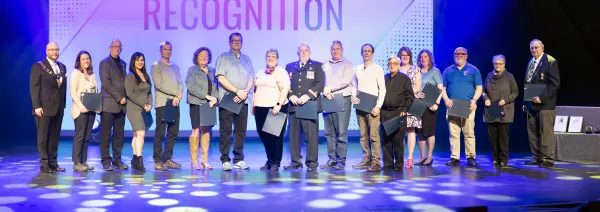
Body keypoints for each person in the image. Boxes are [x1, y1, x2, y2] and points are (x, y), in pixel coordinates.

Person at [216, 32, 255, 171]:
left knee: (240, 131)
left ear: (242, 43)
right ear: (229, 43)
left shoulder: (247, 59)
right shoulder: (223, 57)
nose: (237, 42)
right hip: (228, 98)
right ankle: (225, 159)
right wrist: (236, 91)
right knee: (226, 131)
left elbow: (252, 78)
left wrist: (244, 92)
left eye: (239, 40)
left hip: (243, 99)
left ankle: (238, 159)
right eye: (234, 40)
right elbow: (220, 78)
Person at [284, 44, 325, 172]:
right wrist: (291, 96)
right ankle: (295, 162)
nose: (303, 53)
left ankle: (312, 163)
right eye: (301, 51)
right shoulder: (289, 66)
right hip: (294, 105)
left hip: (309, 105)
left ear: (310, 52)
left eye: (306, 50)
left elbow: (320, 84)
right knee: (294, 136)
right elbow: (286, 85)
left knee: (311, 136)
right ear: (297, 53)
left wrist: (307, 96)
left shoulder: (317, 66)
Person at [441, 47, 483, 166]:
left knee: (469, 132)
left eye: (461, 54)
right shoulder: (448, 70)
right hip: (452, 105)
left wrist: (474, 100)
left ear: (466, 56)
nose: (459, 56)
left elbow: (479, 87)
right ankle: (455, 157)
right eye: (456, 54)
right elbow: (442, 88)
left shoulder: (473, 70)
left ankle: (470, 157)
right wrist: (446, 99)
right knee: (453, 133)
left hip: (468, 106)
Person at [30, 42, 67, 173]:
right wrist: (37, 106)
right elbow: (34, 88)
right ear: (46, 51)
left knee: (54, 137)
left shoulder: (62, 67)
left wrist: (63, 105)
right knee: (43, 137)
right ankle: (44, 164)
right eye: (52, 50)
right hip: (44, 108)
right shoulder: (38, 67)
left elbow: (62, 88)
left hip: (58, 108)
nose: (55, 52)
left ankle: (53, 163)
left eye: (57, 49)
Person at [523, 39, 560, 167]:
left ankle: (548, 159)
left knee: (546, 131)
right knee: (532, 131)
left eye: (536, 47)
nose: (534, 50)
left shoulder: (550, 61)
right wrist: (525, 101)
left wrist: (542, 98)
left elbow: (554, 84)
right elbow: (528, 82)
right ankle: (536, 157)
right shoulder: (531, 61)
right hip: (531, 103)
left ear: (542, 48)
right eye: (532, 48)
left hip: (545, 103)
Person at [252, 49, 290, 172]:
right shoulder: (260, 72)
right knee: (263, 134)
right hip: (260, 107)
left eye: (273, 56)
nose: (271, 58)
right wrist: (253, 104)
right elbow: (255, 89)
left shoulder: (281, 72)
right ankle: (269, 160)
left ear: (277, 59)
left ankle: (275, 162)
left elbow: (285, 89)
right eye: (268, 56)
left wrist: (278, 104)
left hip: (275, 107)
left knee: (274, 136)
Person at [351, 44, 386, 172]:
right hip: (360, 105)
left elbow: (382, 88)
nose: (366, 53)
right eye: (364, 51)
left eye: (369, 51)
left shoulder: (377, 68)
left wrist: (378, 106)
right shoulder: (357, 68)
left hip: (373, 107)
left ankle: (376, 162)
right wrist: (354, 96)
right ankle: (366, 160)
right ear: (361, 53)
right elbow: (354, 85)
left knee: (374, 136)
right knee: (363, 135)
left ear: (372, 53)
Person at [320, 41, 354, 170]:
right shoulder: (325, 64)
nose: (335, 51)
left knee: (341, 132)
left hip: (342, 98)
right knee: (329, 132)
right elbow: (321, 80)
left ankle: (341, 160)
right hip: (328, 98)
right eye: (333, 49)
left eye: (337, 49)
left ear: (342, 49)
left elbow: (346, 81)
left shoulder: (347, 63)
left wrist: (330, 89)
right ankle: (332, 159)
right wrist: (324, 90)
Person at [151, 41, 184, 171]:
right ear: (161, 51)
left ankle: (167, 158)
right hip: (163, 103)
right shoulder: (156, 66)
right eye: (165, 49)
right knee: (160, 132)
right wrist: (176, 93)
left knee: (173, 132)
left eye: (170, 49)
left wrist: (179, 96)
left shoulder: (175, 67)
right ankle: (158, 160)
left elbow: (180, 83)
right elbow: (159, 85)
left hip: (175, 103)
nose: (168, 51)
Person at [186, 47, 219, 170]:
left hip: (209, 104)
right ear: (196, 57)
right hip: (196, 103)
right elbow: (191, 86)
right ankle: (194, 160)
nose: (204, 57)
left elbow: (217, 87)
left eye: (206, 55)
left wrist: (215, 98)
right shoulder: (192, 70)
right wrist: (207, 96)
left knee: (206, 131)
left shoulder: (212, 71)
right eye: (201, 55)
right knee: (196, 129)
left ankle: (204, 160)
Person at [483, 55, 518, 167]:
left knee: (503, 137)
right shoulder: (489, 76)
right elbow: (483, 91)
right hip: (491, 110)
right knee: (493, 137)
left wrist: (505, 100)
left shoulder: (509, 76)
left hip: (504, 110)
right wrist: (486, 99)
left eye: (500, 63)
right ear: (493, 64)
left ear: (504, 64)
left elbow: (515, 92)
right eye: (496, 64)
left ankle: (503, 159)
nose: (498, 66)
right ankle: (495, 158)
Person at [380, 56, 414, 171]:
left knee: (398, 140)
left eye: (394, 63)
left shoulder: (404, 78)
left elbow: (410, 96)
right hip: (384, 112)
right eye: (390, 63)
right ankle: (388, 164)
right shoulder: (384, 78)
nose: (392, 65)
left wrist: (405, 109)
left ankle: (399, 164)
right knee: (386, 140)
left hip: (399, 112)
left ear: (399, 65)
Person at [99, 39, 128, 171]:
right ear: (109, 48)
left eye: (119, 47)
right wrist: (119, 97)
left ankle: (117, 159)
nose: (117, 49)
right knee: (106, 133)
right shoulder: (104, 63)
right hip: (109, 103)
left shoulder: (123, 63)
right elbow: (106, 83)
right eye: (115, 46)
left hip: (122, 105)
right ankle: (106, 160)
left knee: (119, 134)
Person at [70, 50, 99, 172]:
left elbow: (95, 92)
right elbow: (73, 92)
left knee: (87, 136)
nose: (86, 61)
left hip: (91, 109)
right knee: (80, 136)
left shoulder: (92, 75)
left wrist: (97, 106)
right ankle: (76, 162)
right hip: (80, 109)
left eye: (88, 58)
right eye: (83, 59)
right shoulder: (76, 73)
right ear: (79, 61)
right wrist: (81, 106)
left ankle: (83, 161)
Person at [125, 52, 153, 172]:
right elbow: (129, 94)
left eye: (142, 60)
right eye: (137, 60)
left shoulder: (145, 75)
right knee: (141, 134)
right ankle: (139, 160)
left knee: (137, 135)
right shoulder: (130, 76)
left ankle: (135, 159)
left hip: (145, 108)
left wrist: (150, 104)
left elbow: (149, 92)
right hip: (134, 108)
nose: (140, 62)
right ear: (133, 62)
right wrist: (143, 104)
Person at [415, 49, 443, 167]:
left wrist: (436, 104)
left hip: (430, 105)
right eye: (421, 57)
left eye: (425, 56)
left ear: (430, 58)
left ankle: (430, 157)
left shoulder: (435, 71)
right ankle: (422, 156)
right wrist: (416, 94)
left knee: (429, 132)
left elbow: (440, 88)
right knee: (419, 131)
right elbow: (413, 88)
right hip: (417, 104)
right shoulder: (416, 72)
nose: (423, 59)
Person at [397, 47, 422, 168]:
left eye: (407, 55)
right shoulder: (397, 69)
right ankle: (399, 156)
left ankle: (410, 158)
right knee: (399, 130)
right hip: (399, 104)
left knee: (411, 130)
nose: (405, 57)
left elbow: (417, 87)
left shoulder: (415, 69)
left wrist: (406, 93)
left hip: (413, 102)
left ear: (410, 56)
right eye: (402, 55)